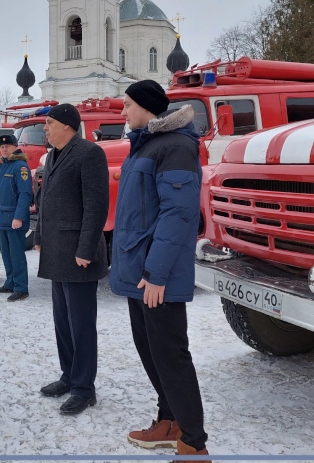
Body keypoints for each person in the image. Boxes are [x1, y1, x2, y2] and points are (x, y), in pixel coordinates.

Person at [109, 80, 210, 459]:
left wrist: (156, 274)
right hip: (141, 270)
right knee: (150, 350)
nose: (123, 112)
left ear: (147, 108)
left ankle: (194, 444)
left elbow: (178, 214)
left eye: (127, 105)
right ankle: (169, 421)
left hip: (156, 275)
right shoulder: (147, 144)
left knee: (170, 354)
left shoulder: (176, 147)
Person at [35, 104, 109, 416]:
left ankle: (84, 388)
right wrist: (39, 236)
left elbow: (96, 206)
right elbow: (45, 201)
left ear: (67, 126)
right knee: (62, 322)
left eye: (49, 123)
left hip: (78, 255)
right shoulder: (53, 155)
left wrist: (85, 250)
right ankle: (68, 376)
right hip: (56, 251)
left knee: (81, 325)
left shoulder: (89, 153)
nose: (45, 129)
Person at [0, 134, 32, 302]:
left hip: (14, 220)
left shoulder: (20, 167)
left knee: (17, 255)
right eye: (1, 147)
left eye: (7, 146)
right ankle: (10, 283)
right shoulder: (2, 167)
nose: (4, 149)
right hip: (2, 219)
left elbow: (25, 194)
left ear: (15, 147)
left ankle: (21, 288)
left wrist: (19, 217)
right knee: (6, 254)